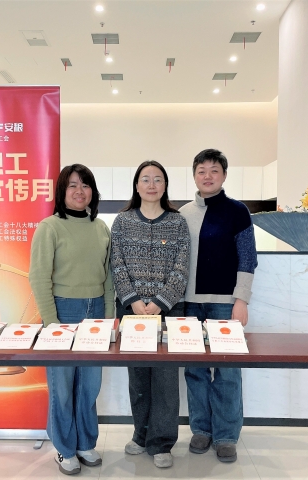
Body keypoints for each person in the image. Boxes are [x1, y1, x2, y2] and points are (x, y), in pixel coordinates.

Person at [29, 164, 115, 475]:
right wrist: (52, 324)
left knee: (90, 385)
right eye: (72, 185)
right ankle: (65, 449)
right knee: (62, 387)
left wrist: (109, 318)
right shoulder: (49, 227)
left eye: (85, 185)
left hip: (96, 311)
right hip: (62, 311)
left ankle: (85, 443)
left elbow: (109, 278)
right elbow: (39, 278)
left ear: (93, 191)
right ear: (62, 192)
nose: (80, 191)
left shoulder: (101, 228)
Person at [179, 149, 258, 463]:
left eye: (214, 170)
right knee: (195, 370)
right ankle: (201, 430)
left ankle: (226, 436)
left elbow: (248, 258)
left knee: (227, 371)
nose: (207, 176)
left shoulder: (238, 211)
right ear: (194, 176)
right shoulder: (183, 214)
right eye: (201, 170)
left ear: (224, 175)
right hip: (189, 305)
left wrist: (241, 300)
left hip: (225, 305)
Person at [110, 160, 190, 469]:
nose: (152, 184)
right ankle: (141, 435)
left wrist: (160, 302)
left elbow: (182, 267)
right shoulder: (122, 221)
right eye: (146, 179)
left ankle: (162, 442)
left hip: (169, 311)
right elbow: (116, 264)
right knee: (139, 378)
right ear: (137, 185)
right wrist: (133, 301)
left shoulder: (178, 222)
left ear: (165, 185)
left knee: (166, 381)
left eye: (158, 179)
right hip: (132, 312)